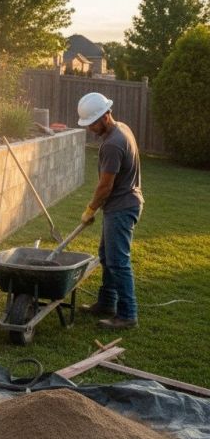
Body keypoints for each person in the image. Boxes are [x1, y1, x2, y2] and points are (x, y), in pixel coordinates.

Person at [77, 92, 143, 330]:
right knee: (107, 256)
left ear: (105, 116)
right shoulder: (121, 128)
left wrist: (90, 208)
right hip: (123, 204)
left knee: (118, 262)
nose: (89, 128)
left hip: (122, 207)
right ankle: (107, 303)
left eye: (92, 123)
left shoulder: (113, 144)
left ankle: (127, 314)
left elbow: (106, 185)